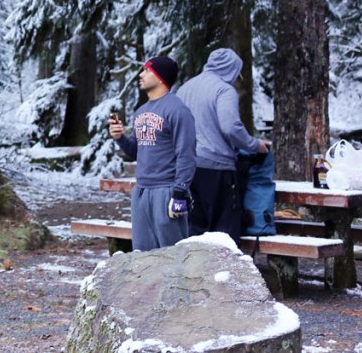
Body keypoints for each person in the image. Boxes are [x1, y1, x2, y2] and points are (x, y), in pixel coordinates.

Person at [175, 47, 271, 240]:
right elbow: (230, 127)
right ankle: (223, 271)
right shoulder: (224, 90)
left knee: (195, 230)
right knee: (223, 233)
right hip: (217, 169)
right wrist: (254, 145)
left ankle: (195, 270)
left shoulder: (185, 88)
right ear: (231, 69)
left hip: (186, 168)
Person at [107, 55, 196, 251]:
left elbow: (186, 154)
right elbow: (137, 152)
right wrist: (120, 138)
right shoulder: (140, 112)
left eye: (147, 70)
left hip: (167, 190)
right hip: (141, 192)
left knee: (172, 253)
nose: (141, 74)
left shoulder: (178, 110)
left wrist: (180, 192)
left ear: (161, 76)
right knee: (142, 255)